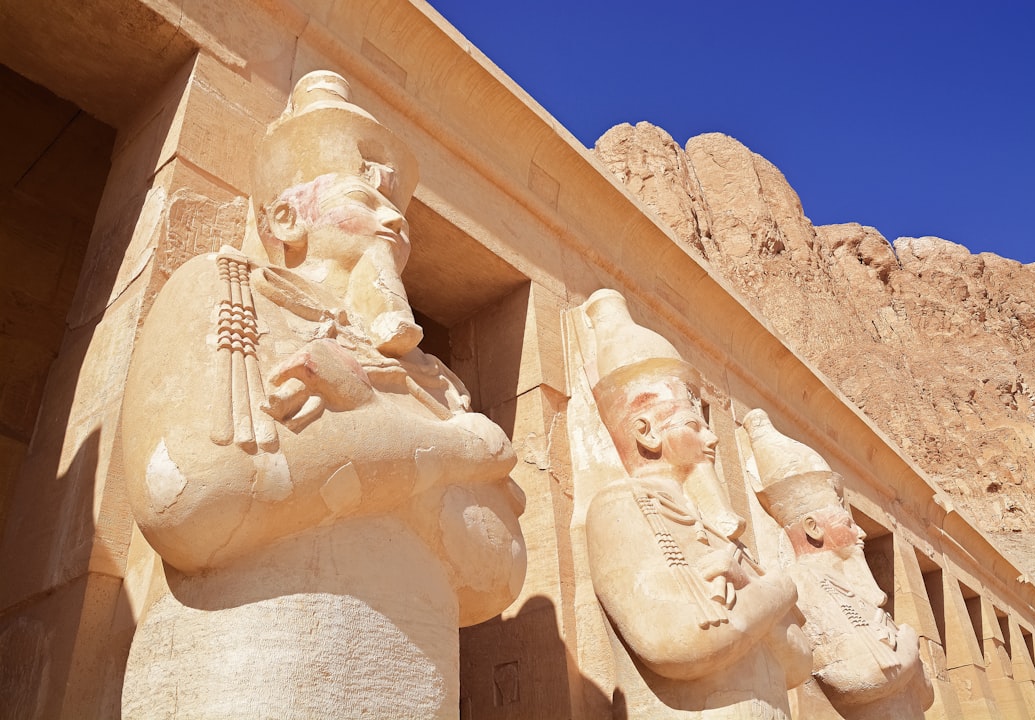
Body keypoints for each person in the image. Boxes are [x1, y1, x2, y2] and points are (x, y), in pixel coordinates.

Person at [119, 71, 526, 719]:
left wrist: (361, 429)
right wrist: (449, 449)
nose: (395, 216)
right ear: (287, 215)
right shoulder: (224, 292)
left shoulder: (434, 380)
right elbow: (198, 497)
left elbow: (495, 574)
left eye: (400, 207)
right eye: (365, 194)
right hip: (243, 677)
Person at [582, 289, 811, 719]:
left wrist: (746, 580)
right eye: (693, 424)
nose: (712, 438)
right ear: (646, 432)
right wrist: (778, 588)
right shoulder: (620, 507)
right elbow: (678, 642)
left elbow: (798, 663)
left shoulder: (722, 537)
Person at [745, 408, 933, 720]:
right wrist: (909, 642)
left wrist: (902, 658)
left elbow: (924, 694)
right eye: (846, 522)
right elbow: (862, 679)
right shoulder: (802, 584)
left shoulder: (853, 590)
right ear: (813, 528)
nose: (860, 532)